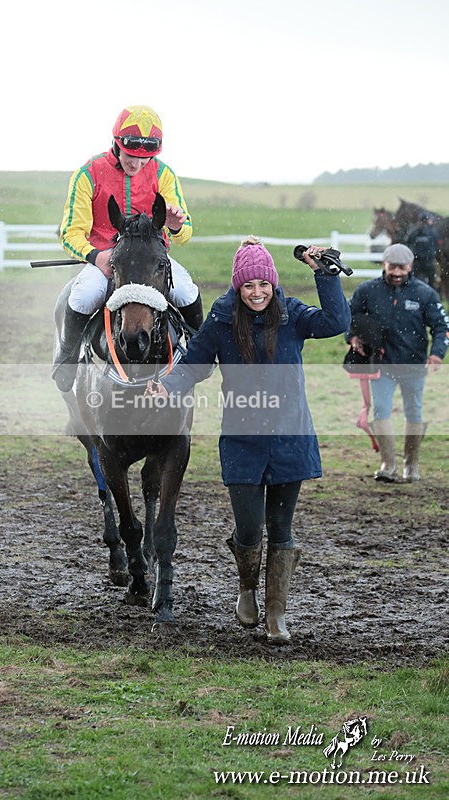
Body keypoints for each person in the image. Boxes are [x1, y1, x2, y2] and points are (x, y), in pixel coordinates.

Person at [146, 237, 351, 643]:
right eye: (249, 286)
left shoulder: (292, 315)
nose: (257, 293)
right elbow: (194, 365)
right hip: (243, 441)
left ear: (273, 286)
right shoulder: (222, 319)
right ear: (238, 288)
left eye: (264, 286)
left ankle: (277, 614)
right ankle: (246, 589)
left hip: (291, 436)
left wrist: (325, 275)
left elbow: (337, 322)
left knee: (282, 528)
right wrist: (168, 385)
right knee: (249, 529)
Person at [53, 104, 203, 392]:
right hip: (106, 260)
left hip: (151, 263)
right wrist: (95, 256)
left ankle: (199, 353)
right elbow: (70, 232)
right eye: (131, 156)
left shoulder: (164, 174)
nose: (137, 164)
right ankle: (67, 356)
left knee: (186, 291)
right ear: (116, 144)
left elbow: (185, 233)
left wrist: (174, 225)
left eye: (145, 160)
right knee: (83, 295)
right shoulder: (88, 173)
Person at [348, 243, 448, 483]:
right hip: (380, 364)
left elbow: (441, 326)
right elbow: (349, 317)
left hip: (414, 365)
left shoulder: (425, 293)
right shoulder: (367, 291)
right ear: (384, 264)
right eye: (392, 267)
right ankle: (388, 465)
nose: (396, 272)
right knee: (381, 409)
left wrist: (437, 354)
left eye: (402, 267)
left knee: (414, 411)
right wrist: (351, 336)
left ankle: (411, 465)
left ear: (410, 266)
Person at [406, 214, 439, 287]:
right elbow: (436, 245)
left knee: (415, 282)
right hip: (429, 261)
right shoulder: (433, 232)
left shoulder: (414, 232)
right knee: (431, 282)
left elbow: (408, 243)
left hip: (417, 262)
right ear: (428, 221)